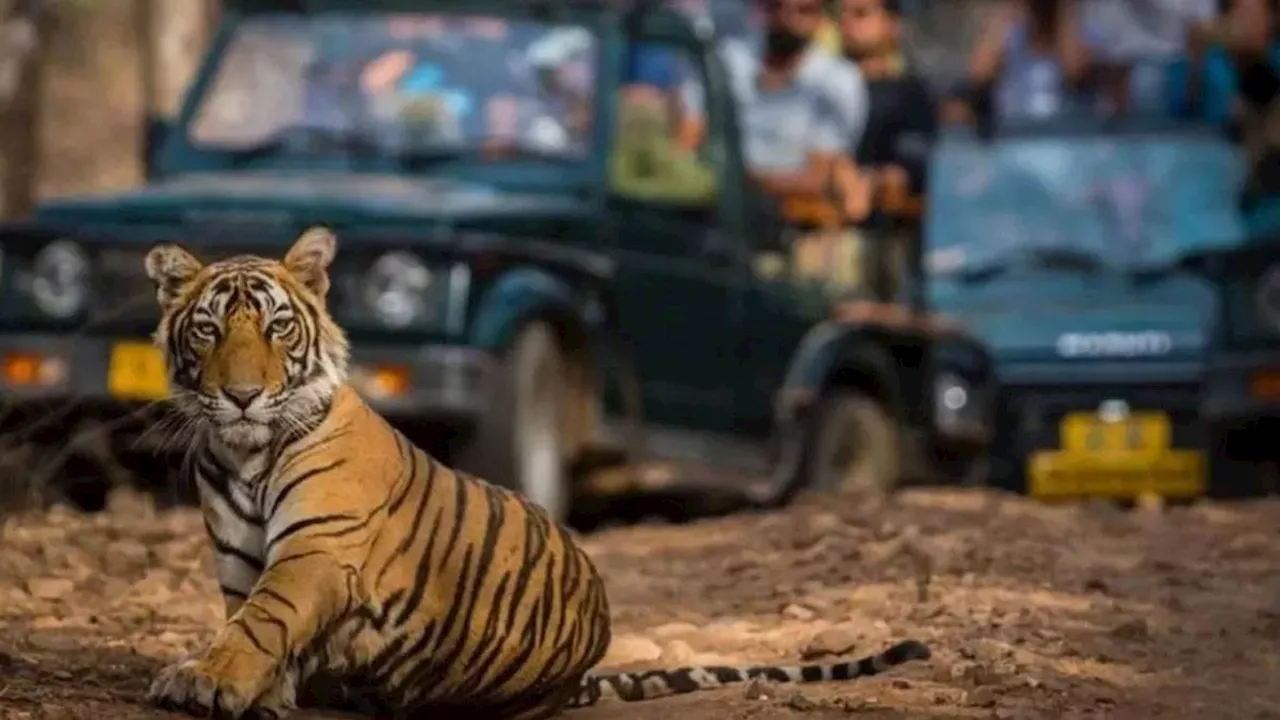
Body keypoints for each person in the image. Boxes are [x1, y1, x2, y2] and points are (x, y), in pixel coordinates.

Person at [719, 0, 871, 289]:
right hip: (715, 222)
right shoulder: (729, 59)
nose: (789, 18)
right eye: (778, 6)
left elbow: (818, 176)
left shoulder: (837, 81)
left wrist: (741, 176)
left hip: (794, 234)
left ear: (822, 18)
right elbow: (690, 138)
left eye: (805, 10)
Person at [839, 0, 936, 299]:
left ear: (892, 24)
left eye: (862, 14)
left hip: (882, 241)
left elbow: (912, 167)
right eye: (843, 15)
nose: (849, 24)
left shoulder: (908, 93)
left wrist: (872, 181)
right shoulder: (819, 84)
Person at [967, 0, 1103, 125]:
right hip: (1014, 135)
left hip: (1067, 136)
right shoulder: (1009, 35)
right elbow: (979, 76)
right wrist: (1008, 11)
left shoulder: (1082, 33)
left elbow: (1076, 72)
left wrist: (1064, 10)